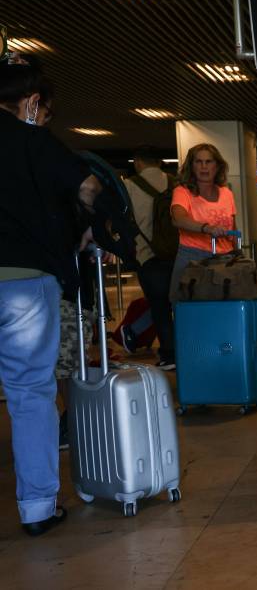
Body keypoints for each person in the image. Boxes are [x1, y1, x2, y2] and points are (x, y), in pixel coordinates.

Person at [0, 58, 101, 536]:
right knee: (28, 394)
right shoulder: (32, 141)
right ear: (32, 102)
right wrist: (77, 229)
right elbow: (86, 182)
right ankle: (37, 508)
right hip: (24, 282)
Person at [124, 146, 177, 370]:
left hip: (148, 255)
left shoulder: (129, 186)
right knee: (181, 304)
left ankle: (169, 355)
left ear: (138, 162)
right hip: (178, 253)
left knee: (159, 306)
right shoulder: (176, 183)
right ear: (160, 162)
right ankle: (189, 348)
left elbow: (123, 219)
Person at [168, 144, 237, 298]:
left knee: (224, 307)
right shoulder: (182, 192)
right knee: (185, 307)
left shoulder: (226, 193)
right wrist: (207, 228)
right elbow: (178, 219)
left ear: (217, 166)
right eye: (198, 162)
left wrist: (236, 254)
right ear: (191, 166)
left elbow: (232, 227)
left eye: (209, 161)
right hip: (192, 258)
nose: (204, 167)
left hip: (225, 258)